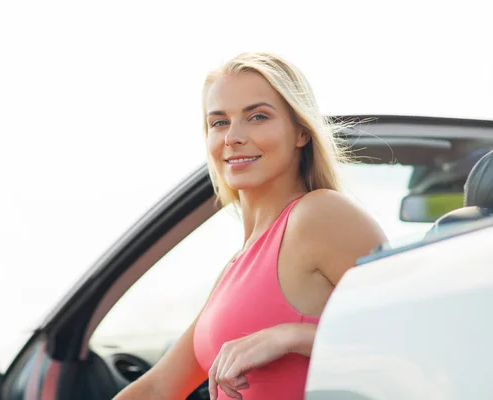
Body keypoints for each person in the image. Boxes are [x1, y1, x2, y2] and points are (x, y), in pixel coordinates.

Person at [113, 52, 387, 400]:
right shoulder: (236, 266)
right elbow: (158, 388)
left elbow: (416, 341)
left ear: (301, 131)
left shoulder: (319, 216)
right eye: (219, 122)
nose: (233, 137)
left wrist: (291, 337)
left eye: (257, 116)